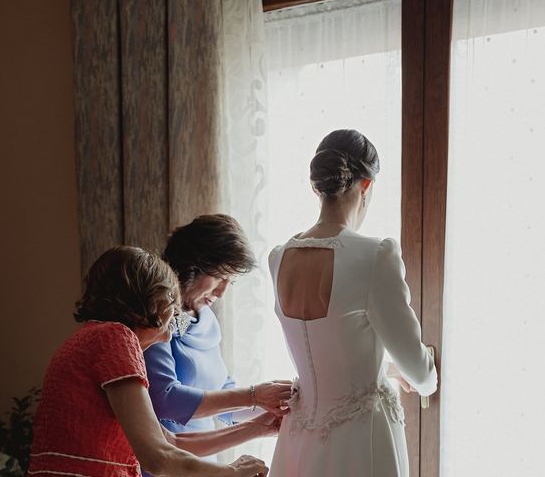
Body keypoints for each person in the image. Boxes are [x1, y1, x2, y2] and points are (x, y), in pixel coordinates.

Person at [267, 129, 438, 477]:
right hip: (362, 441)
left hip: (299, 439)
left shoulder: (278, 257)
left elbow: (326, 348)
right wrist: (427, 380)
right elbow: (418, 368)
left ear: (316, 187)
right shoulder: (374, 255)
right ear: (366, 186)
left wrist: (380, 366)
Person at [28, 246, 273, 477]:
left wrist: (258, 427)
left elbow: (173, 442)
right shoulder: (115, 337)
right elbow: (157, 458)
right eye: (170, 316)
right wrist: (230, 473)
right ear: (150, 303)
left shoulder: (88, 338)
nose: (167, 335)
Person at [143, 215, 292, 472]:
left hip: (204, 464)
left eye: (230, 282)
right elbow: (165, 399)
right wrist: (253, 395)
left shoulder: (208, 321)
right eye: (220, 276)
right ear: (192, 265)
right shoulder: (154, 318)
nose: (222, 291)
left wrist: (272, 410)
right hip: (166, 464)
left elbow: (223, 395)